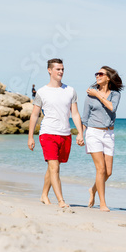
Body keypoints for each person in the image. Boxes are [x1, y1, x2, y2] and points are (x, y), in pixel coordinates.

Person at [27, 58, 85, 208]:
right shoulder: (42, 92)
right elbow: (34, 115)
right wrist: (30, 137)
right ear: (49, 70)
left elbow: (75, 114)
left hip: (65, 133)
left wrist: (80, 133)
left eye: (62, 69)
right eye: (58, 69)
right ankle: (61, 201)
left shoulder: (70, 90)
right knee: (55, 167)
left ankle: (44, 195)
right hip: (47, 133)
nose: (61, 72)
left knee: (53, 166)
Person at [82, 66, 124, 212]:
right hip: (93, 133)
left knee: (108, 171)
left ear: (108, 77)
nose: (97, 76)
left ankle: (93, 190)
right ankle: (103, 203)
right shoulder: (90, 95)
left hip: (109, 134)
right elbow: (85, 118)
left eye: (100, 74)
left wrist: (98, 95)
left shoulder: (115, 94)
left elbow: (112, 108)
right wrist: (81, 135)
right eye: (96, 74)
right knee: (100, 169)